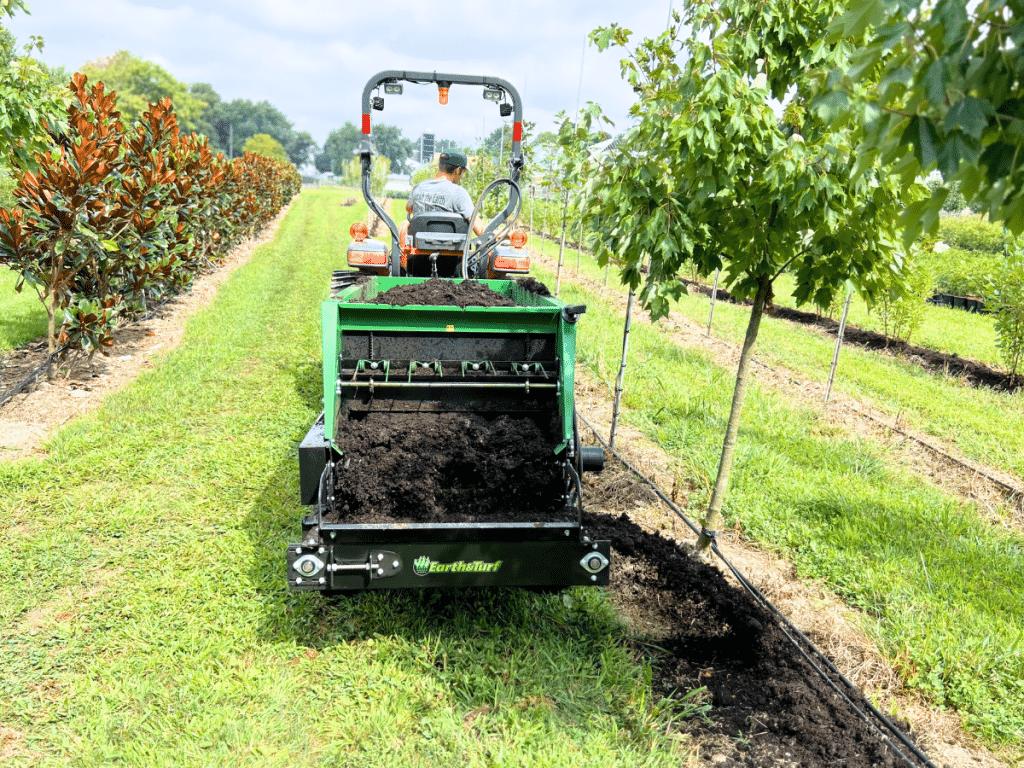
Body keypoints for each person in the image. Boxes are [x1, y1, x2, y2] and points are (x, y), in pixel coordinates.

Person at [406, 150, 484, 236]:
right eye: (463, 173)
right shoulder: (459, 193)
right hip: (449, 249)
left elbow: (408, 209)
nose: (461, 177)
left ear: (440, 166)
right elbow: (480, 230)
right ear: (458, 170)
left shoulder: (418, 187)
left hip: (418, 247)